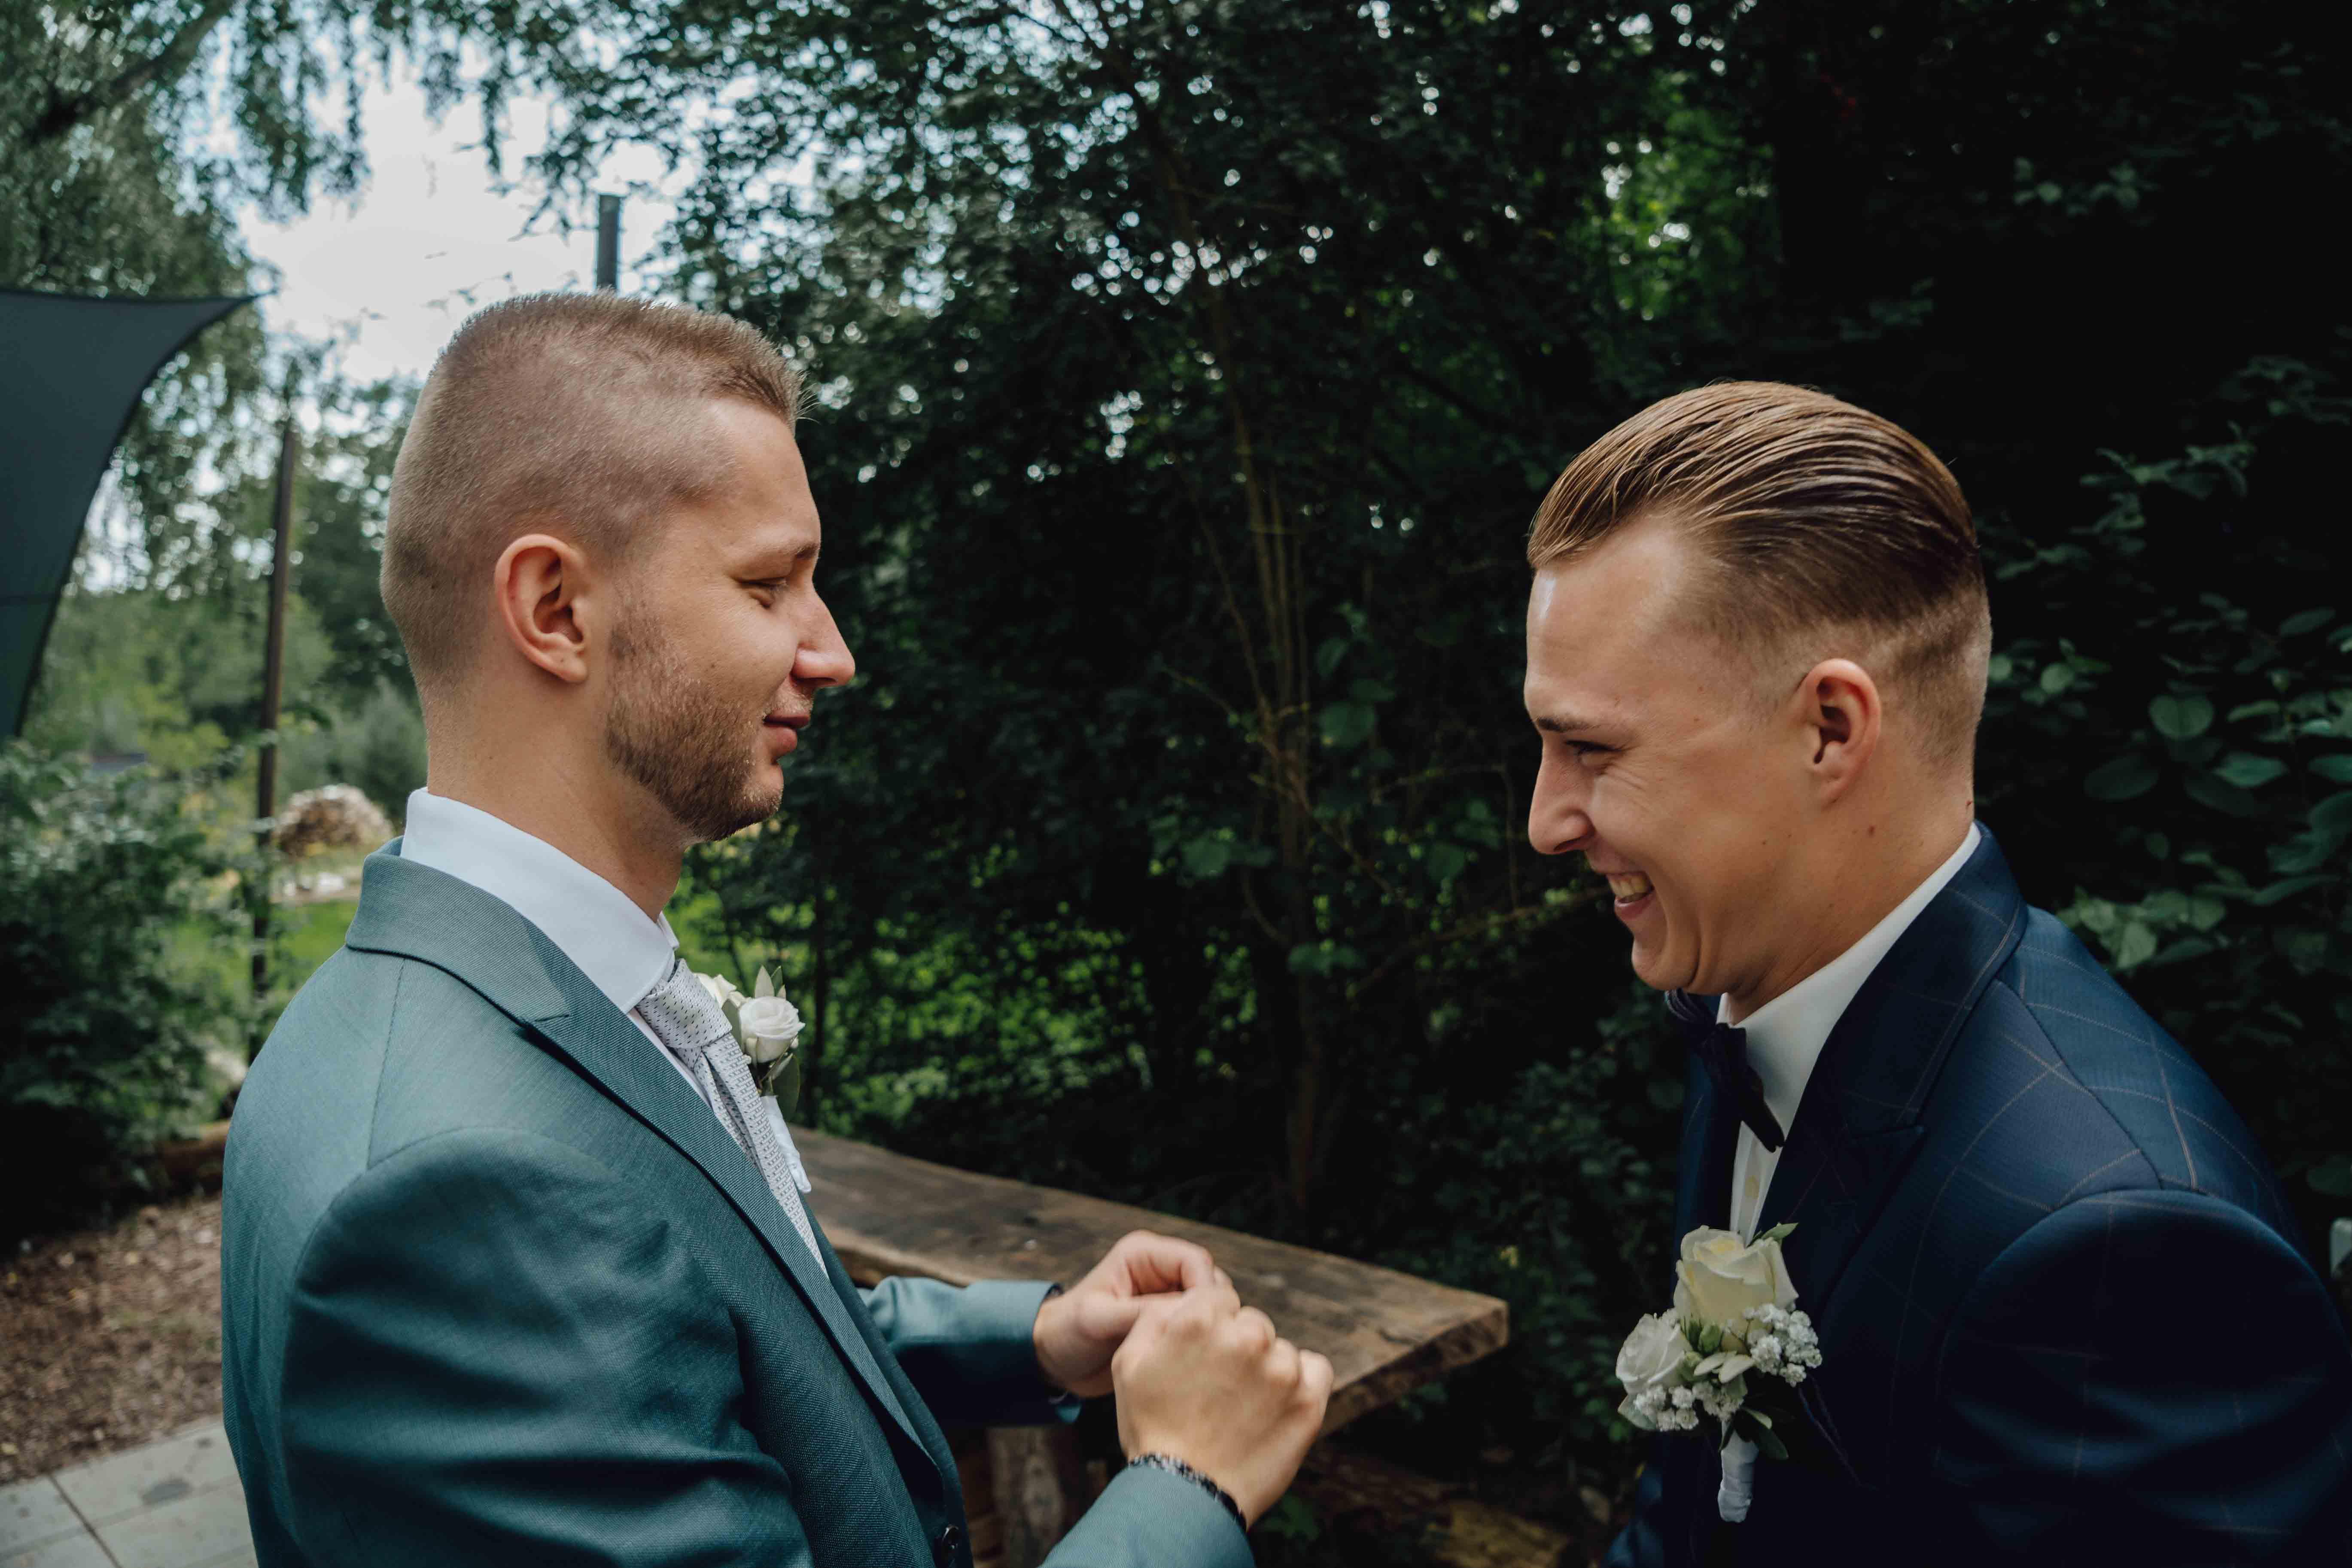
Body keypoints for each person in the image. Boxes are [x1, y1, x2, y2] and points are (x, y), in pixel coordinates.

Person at [220, 293, 1330, 1568]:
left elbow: (702, 1336)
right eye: (768, 584)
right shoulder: (459, 1190)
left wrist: (1032, 1340)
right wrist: (1186, 1484)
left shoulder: (445, 1003)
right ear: (555, 609)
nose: (834, 650)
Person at [1518, 383, 2352, 1564]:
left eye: (1592, 748)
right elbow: (1695, 1513)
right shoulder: (1743, 1009)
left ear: (1830, 731)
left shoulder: (2117, 1247)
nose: (1548, 818)